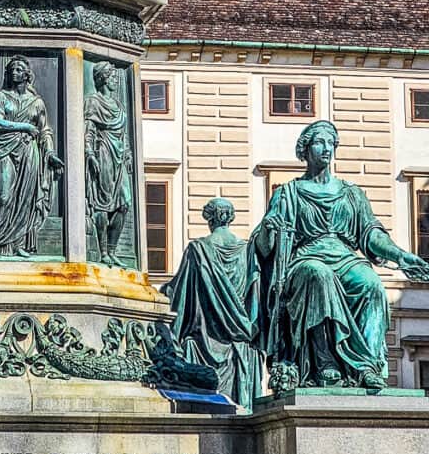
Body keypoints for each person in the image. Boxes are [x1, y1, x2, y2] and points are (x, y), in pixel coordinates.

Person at [253, 119, 429, 388]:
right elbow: (264, 247)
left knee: (370, 284)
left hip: (346, 258)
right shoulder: (288, 194)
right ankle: (325, 363)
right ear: (305, 149)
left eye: (330, 143)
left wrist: (401, 256)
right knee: (318, 275)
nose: (326, 149)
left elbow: (371, 234)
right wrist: (268, 229)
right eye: (319, 142)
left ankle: (366, 366)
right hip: (306, 258)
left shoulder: (351, 194)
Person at [163, 198, 262, 411]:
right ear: (231, 218)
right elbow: (255, 298)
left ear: (209, 219)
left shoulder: (198, 250)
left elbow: (181, 297)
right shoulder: (247, 251)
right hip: (239, 347)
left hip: (203, 343)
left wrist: (161, 294)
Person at [0, 56, 63, 257]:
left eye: (18, 69)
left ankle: (17, 244)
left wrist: (50, 153)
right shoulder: (1, 97)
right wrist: (25, 126)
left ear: (27, 75)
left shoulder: (37, 102)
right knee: (4, 196)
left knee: (25, 199)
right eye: (11, 70)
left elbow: (45, 131)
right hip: (3, 149)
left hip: (29, 152)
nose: (13, 72)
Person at [84, 61, 134, 267]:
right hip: (103, 151)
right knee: (102, 204)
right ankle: (103, 251)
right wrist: (89, 154)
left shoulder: (120, 105)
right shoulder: (93, 102)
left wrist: (129, 153)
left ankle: (113, 251)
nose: (115, 80)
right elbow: (88, 130)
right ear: (103, 78)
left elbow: (123, 134)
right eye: (112, 76)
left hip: (120, 156)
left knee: (124, 204)